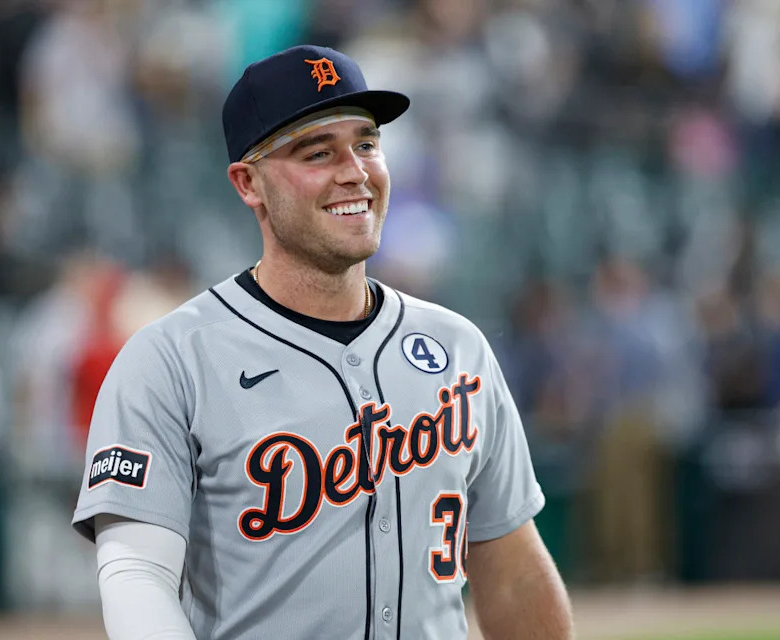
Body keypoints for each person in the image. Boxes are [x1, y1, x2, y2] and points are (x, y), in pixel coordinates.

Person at [72, 44, 574, 639]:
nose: (355, 171)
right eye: (318, 151)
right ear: (248, 183)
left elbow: (511, 567)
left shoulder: (457, 347)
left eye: (366, 143)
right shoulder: (171, 361)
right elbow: (136, 575)